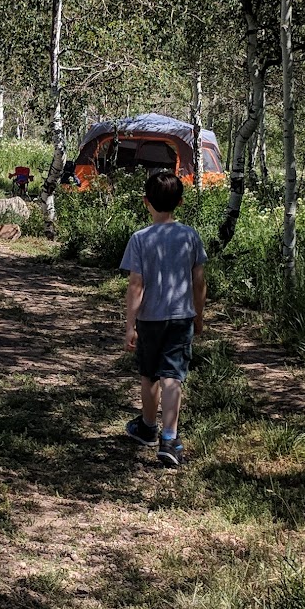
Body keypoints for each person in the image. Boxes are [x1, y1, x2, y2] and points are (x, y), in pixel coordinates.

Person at [120, 168, 206, 468]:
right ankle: (169, 439)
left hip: (149, 320)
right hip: (181, 317)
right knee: (173, 377)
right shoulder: (190, 236)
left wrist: (130, 325)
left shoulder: (140, 238)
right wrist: (199, 315)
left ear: (146, 202)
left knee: (149, 375)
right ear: (180, 202)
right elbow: (198, 281)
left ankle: (146, 426)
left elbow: (136, 285)